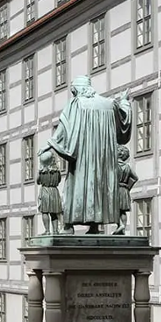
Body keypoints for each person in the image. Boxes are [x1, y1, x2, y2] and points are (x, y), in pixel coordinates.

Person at [39, 76, 132, 234]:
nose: (73, 95)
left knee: (76, 187)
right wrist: (124, 101)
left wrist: (49, 145)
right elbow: (124, 122)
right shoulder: (109, 104)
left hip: (84, 158)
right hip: (104, 159)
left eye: (74, 92)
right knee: (99, 188)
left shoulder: (76, 104)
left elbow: (63, 130)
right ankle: (94, 226)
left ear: (78, 90)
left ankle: (69, 226)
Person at [37, 150, 63, 235]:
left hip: (45, 191)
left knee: (45, 212)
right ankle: (55, 231)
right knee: (54, 213)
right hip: (54, 192)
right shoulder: (57, 171)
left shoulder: (42, 172)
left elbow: (38, 181)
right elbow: (58, 181)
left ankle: (47, 231)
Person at [114, 145, 138, 235]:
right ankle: (122, 228)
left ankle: (120, 225)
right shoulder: (127, 167)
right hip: (124, 189)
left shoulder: (114, 166)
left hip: (116, 189)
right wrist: (128, 187)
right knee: (123, 210)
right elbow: (135, 178)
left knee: (115, 209)